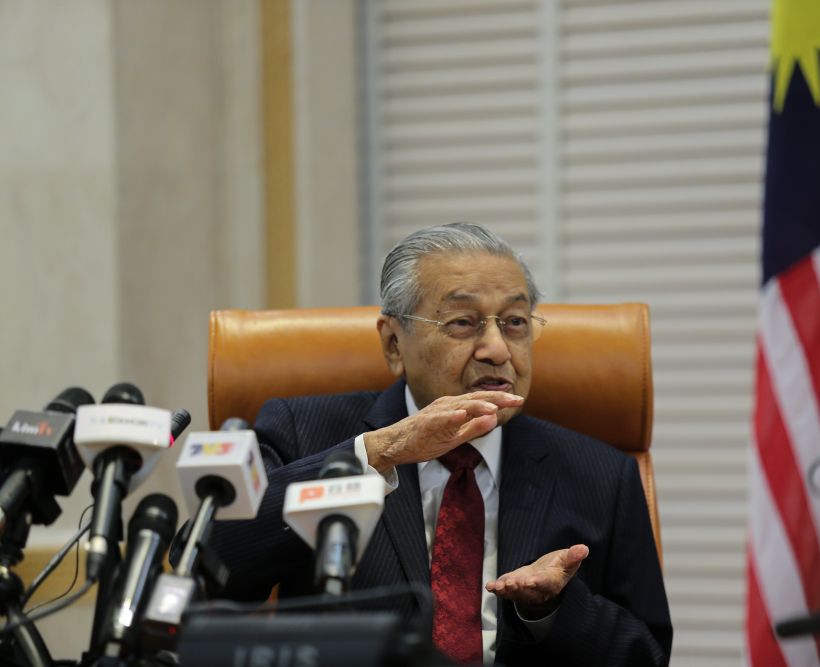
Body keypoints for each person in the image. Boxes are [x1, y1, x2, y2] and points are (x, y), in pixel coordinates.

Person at [211, 223, 672, 666]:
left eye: (514, 322)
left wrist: (550, 610)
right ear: (394, 343)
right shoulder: (304, 431)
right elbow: (215, 571)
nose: (497, 349)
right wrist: (378, 453)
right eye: (462, 322)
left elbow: (646, 654)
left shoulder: (601, 475)